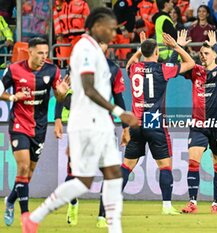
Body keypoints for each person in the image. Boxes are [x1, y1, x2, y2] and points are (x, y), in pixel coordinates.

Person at [21, 7, 138, 233]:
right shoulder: (83, 49)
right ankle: (35, 217)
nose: (114, 34)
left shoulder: (97, 53)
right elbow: (87, 88)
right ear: (96, 27)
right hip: (87, 123)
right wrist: (119, 112)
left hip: (100, 123)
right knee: (83, 181)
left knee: (113, 175)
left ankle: (114, 228)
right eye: (111, 29)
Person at [54, 41, 129, 228]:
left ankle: (102, 216)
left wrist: (126, 127)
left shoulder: (113, 69)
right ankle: (73, 202)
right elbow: (63, 92)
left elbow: (119, 98)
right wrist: (57, 119)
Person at [121, 31, 195, 215]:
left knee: (126, 166)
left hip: (135, 123)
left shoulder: (134, 68)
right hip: (154, 122)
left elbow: (129, 64)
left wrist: (139, 50)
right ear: (156, 53)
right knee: (164, 165)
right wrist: (177, 46)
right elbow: (190, 64)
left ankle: (110, 202)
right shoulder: (162, 69)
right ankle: (167, 207)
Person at [0, 37, 69, 227]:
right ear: (30, 52)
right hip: (19, 125)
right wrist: (13, 96)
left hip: (39, 128)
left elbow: (59, 96)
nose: (43, 57)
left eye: (46, 53)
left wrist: (62, 94)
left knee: (27, 176)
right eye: (40, 53)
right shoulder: (14, 69)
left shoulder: (52, 70)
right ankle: (26, 216)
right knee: (22, 168)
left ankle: (10, 200)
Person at [170, 30, 217, 214]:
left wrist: (215, 45)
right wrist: (179, 47)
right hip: (198, 126)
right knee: (193, 161)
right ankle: (192, 202)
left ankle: (216, 204)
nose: (203, 56)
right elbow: (171, 67)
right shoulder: (195, 71)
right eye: (201, 54)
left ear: (214, 55)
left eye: (206, 53)